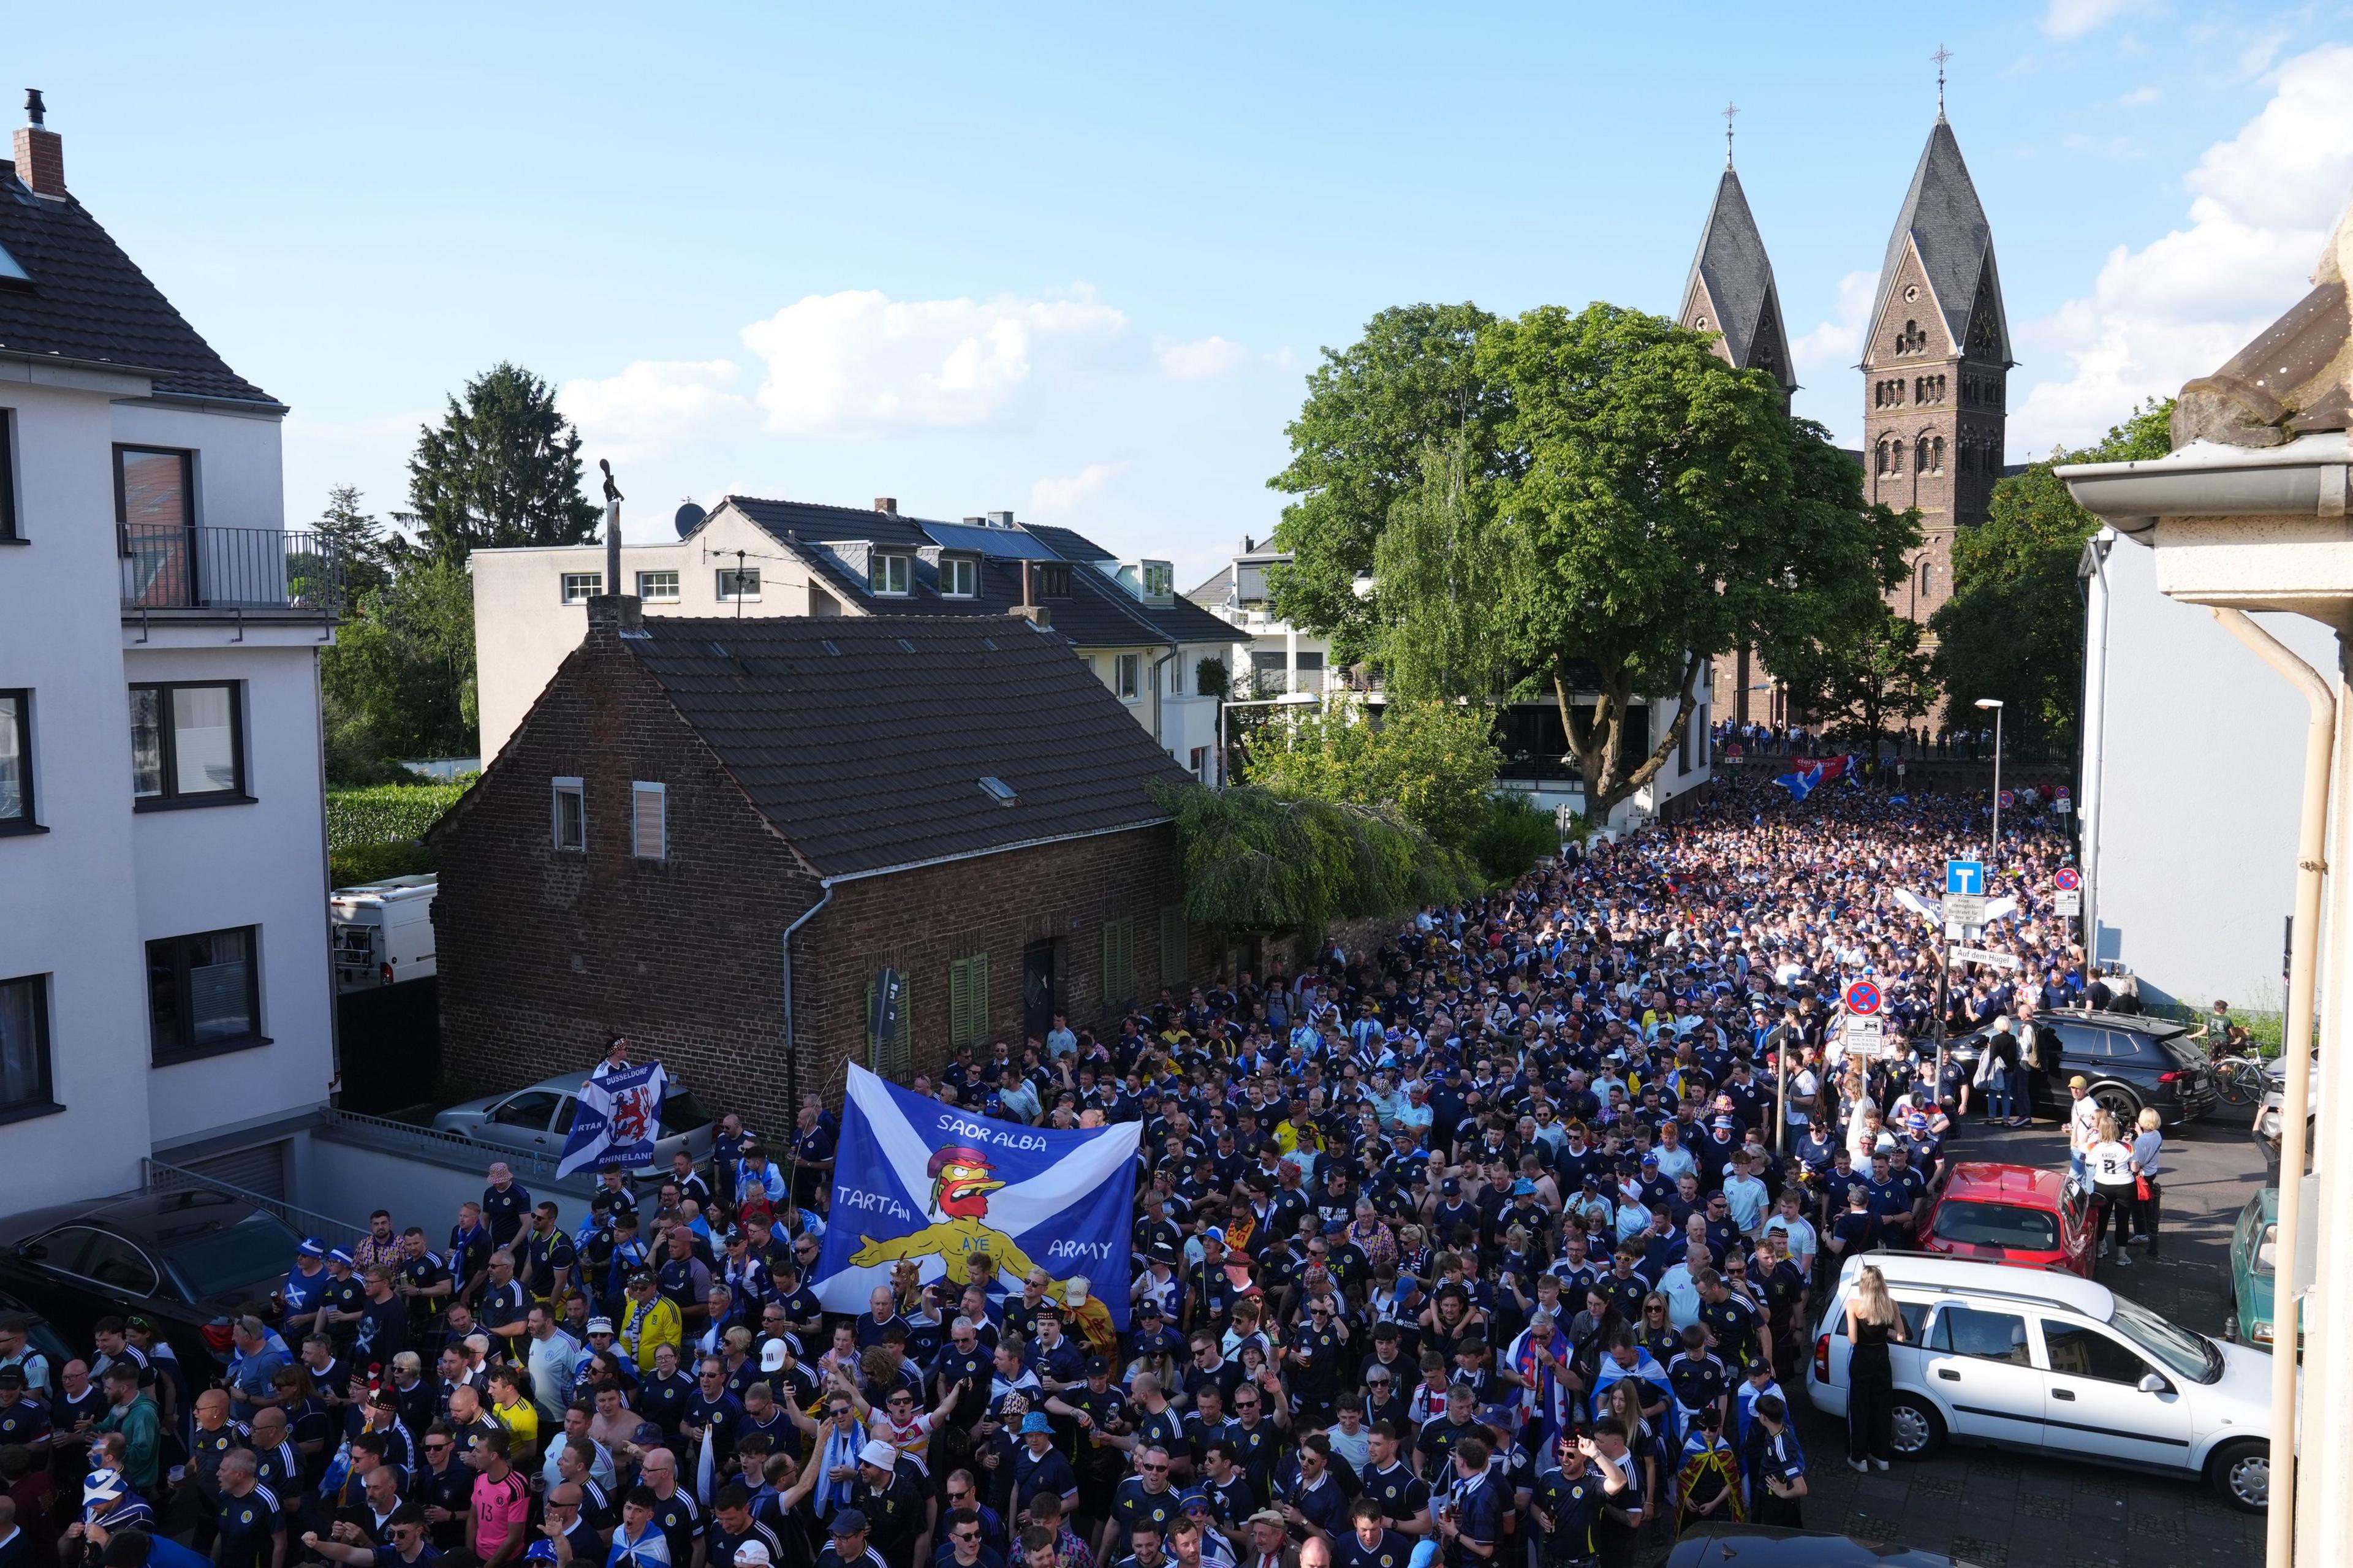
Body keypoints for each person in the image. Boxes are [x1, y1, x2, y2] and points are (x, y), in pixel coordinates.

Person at [1840, 1265, 1904, 1473]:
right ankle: (1881, 1456)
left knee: (1858, 1408)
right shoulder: (1891, 1304)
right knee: (1882, 1407)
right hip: (1882, 1357)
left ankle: (1859, 1458)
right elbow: (1901, 1336)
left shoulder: (1853, 1305)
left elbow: (1853, 1339)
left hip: (1862, 1358)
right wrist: (1888, 1334)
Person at [2086, 1113, 2139, 1267]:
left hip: (2103, 1185)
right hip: (2124, 1186)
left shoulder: (2094, 1147)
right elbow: (2134, 1167)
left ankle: (2100, 1248)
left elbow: (2088, 1160)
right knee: (2122, 1221)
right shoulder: (2127, 1147)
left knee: (2102, 1218)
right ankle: (2122, 1256)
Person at [2128, 1108, 2165, 1260]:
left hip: (2141, 1175)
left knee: (2137, 1205)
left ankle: (2141, 1233)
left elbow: (2137, 1164)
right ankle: (2149, 1229)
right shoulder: (2156, 1135)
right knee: (2148, 1203)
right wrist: (2139, 1133)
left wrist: (2130, 1146)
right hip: (2152, 1173)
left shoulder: (2141, 1141)